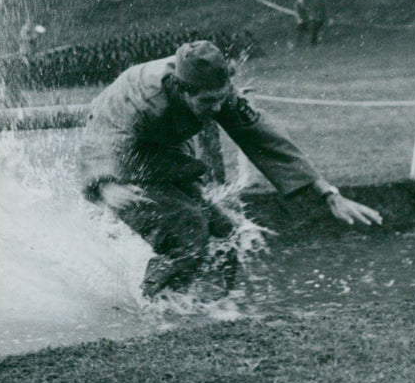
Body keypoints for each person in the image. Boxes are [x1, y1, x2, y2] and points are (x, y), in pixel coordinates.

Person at [80, 40, 382, 297]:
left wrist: (329, 195)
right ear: (182, 90)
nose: (217, 109)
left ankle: (212, 308)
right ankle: (153, 308)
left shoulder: (220, 95)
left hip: (165, 151)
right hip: (118, 161)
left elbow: (267, 139)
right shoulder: (144, 97)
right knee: (188, 229)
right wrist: (106, 185)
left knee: (228, 232)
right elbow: (102, 136)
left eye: (221, 99)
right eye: (208, 102)